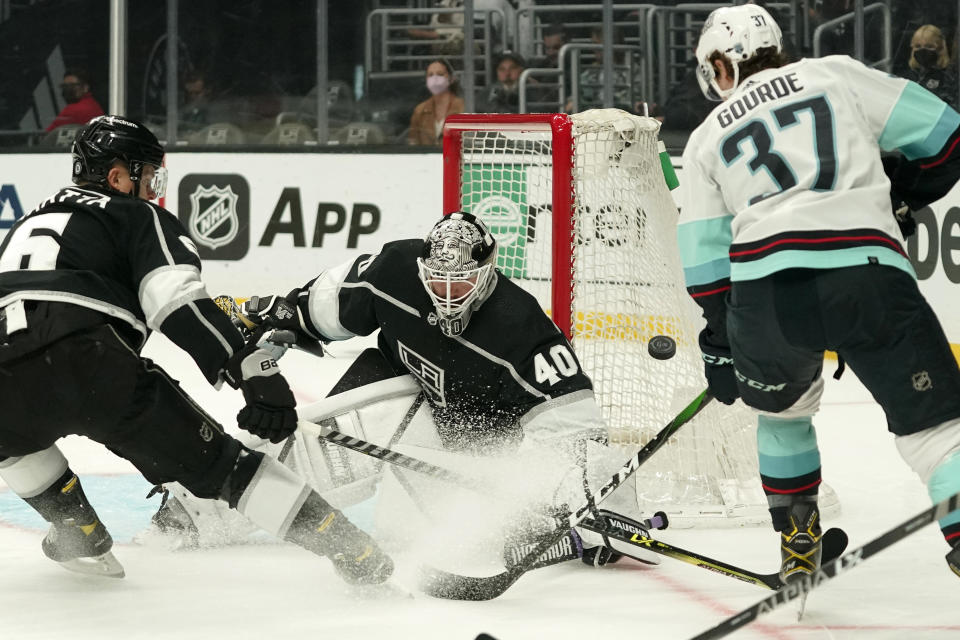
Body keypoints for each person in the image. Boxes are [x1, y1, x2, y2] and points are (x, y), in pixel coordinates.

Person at [0, 115, 392, 585]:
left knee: (8, 444)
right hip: (90, 362)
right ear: (118, 176)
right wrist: (253, 371)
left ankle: (76, 527)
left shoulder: (26, 223)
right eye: (146, 175)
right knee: (226, 469)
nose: (151, 188)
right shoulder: (134, 215)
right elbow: (176, 303)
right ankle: (353, 550)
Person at [150, 212, 661, 569]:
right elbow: (321, 306)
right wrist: (277, 318)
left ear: (486, 276)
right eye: (436, 282)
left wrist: (599, 504)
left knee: (435, 538)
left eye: (459, 286)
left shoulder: (520, 328)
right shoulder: (393, 270)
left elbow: (579, 428)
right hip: (395, 390)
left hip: (471, 454)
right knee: (316, 447)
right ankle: (204, 506)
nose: (446, 296)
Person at [679, 4, 960, 585]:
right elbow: (946, 137)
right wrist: (902, 194)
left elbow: (707, 270)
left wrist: (720, 340)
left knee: (780, 418)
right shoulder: (834, 74)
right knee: (938, 429)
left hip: (765, 295)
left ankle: (797, 538)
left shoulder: (707, 136)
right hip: (864, 272)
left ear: (719, 66)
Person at [407, 59, 465, 146]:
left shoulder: (463, 107)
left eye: (440, 74)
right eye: (430, 75)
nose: (434, 79)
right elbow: (413, 142)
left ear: (451, 79)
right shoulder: (420, 110)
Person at [904, 25, 958, 109]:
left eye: (929, 46)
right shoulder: (906, 76)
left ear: (941, 48)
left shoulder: (948, 78)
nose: (923, 51)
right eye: (918, 46)